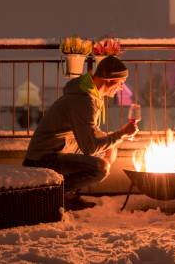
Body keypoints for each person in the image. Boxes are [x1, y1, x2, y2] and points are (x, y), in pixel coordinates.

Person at [23, 56, 138, 210]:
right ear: (110, 79)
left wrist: (113, 139)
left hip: (58, 150)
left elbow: (89, 131)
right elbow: (89, 147)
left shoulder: (89, 94)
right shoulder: (84, 100)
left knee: (110, 148)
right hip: (42, 159)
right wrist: (122, 133)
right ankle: (55, 195)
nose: (121, 88)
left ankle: (68, 194)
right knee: (100, 167)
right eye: (121, 83)